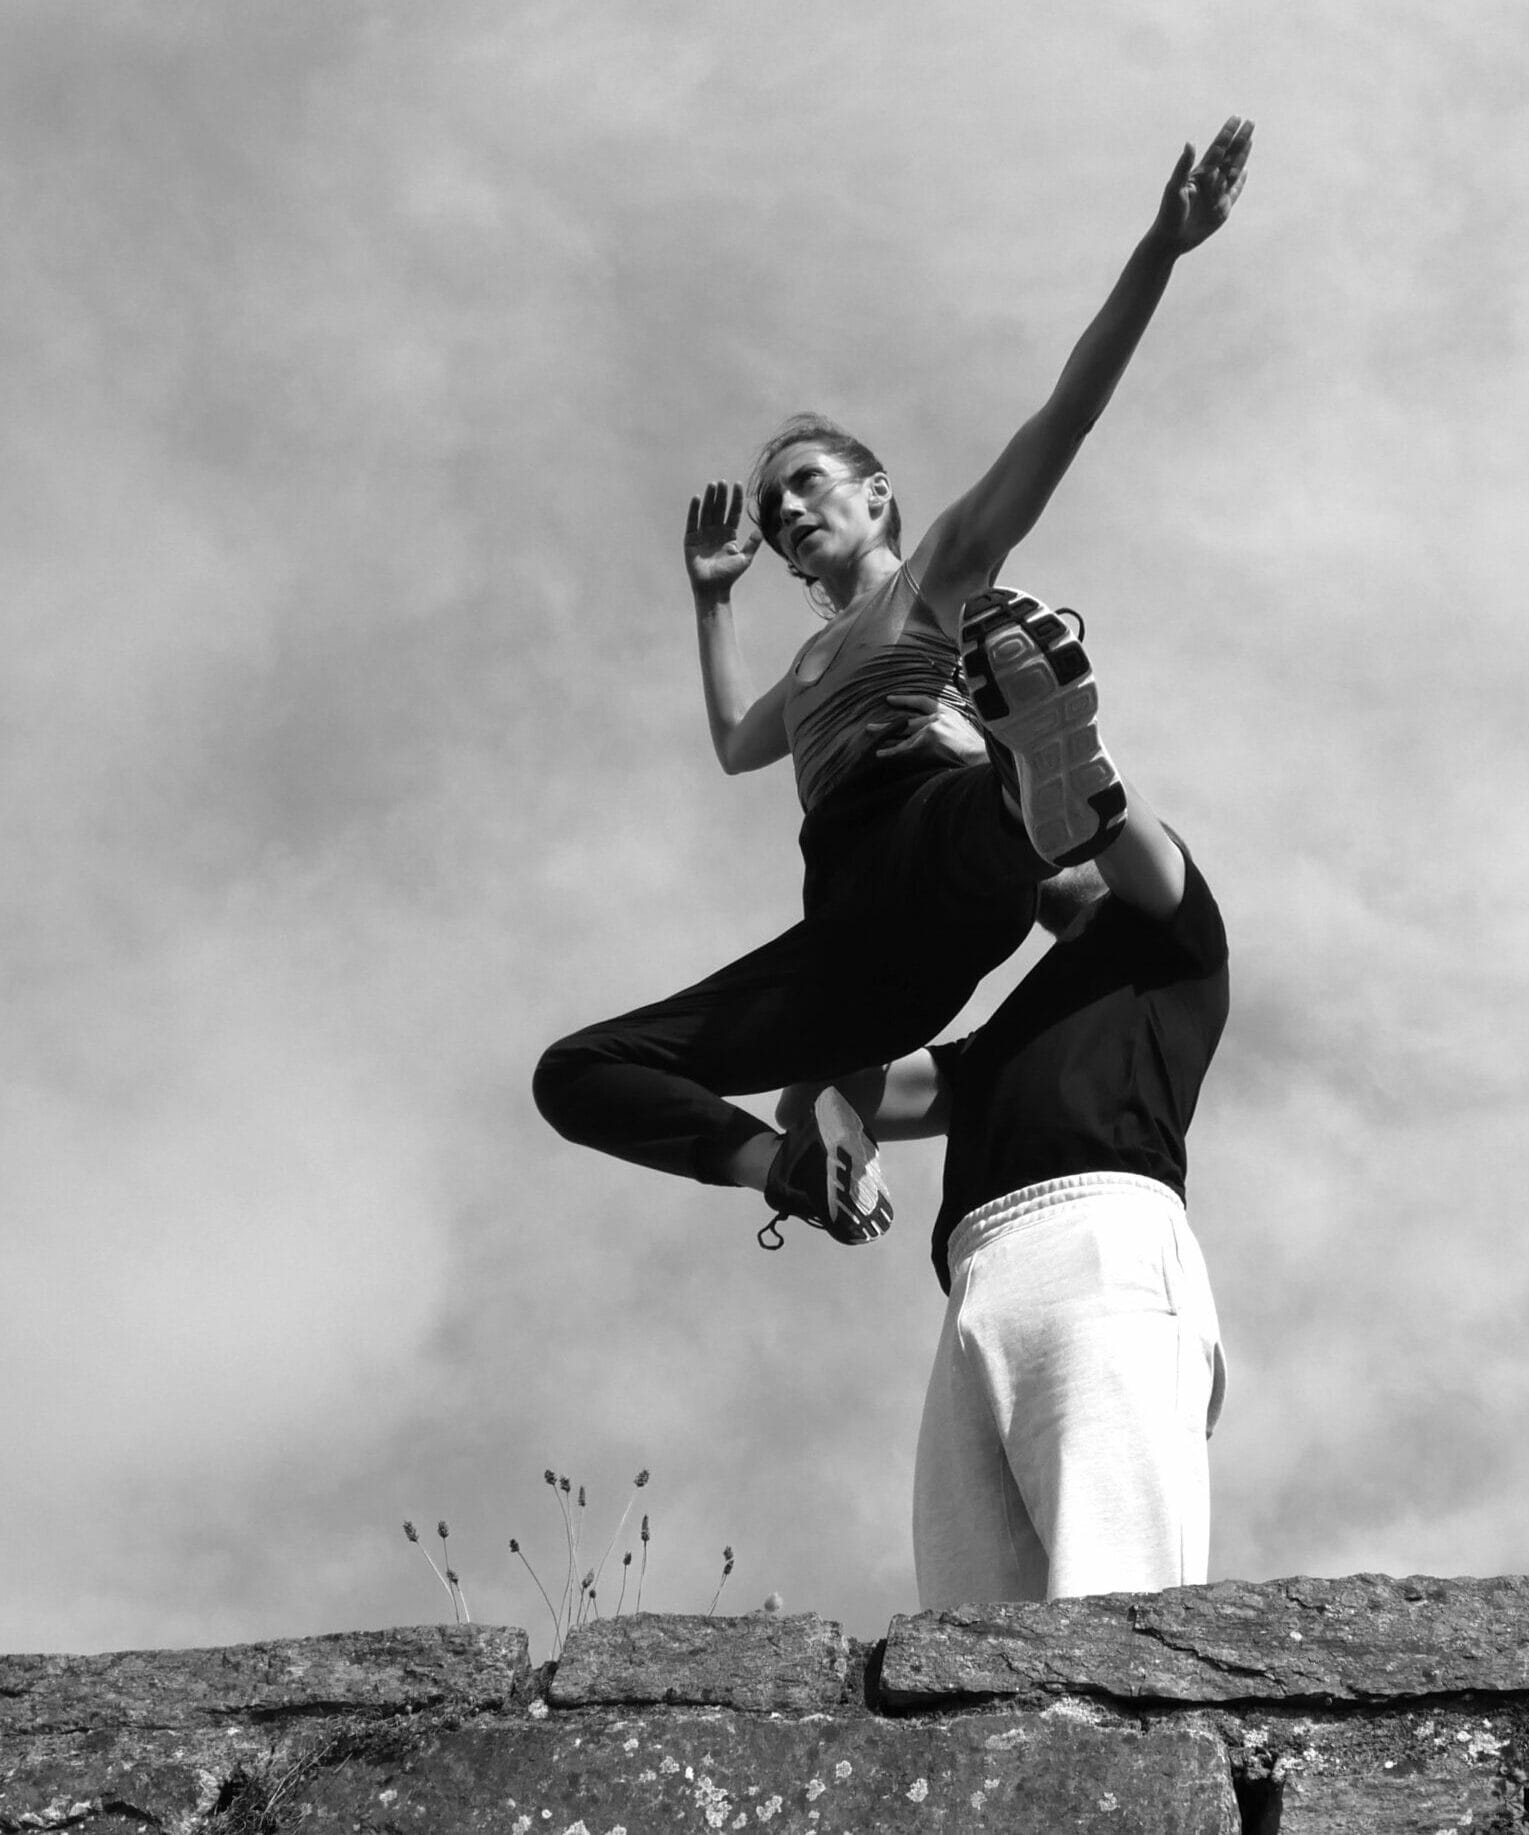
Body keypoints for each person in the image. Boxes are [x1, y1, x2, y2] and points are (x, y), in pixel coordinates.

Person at [534, 120, 1253, 1249]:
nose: (787, 516)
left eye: (808, 487)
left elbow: (1064, 412)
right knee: (578, 1072)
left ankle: (1037, 789)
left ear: (876, 494)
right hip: (852, 934)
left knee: (970, 784)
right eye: (775, 516)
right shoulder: (804, 668)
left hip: (940, 825)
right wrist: (712, 599)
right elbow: (734, 745)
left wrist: (1160, 251)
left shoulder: (937, 571)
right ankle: (791, 1173)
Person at [779, 742, 1229, 1605]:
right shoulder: (999, 1041)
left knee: (1120, 1606)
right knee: (967, 1635)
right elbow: (815, 1085)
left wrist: (1014, 744)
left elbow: (1095, 792)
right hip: (974, 1279)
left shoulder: (1180, 938)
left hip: (1101, 1242)